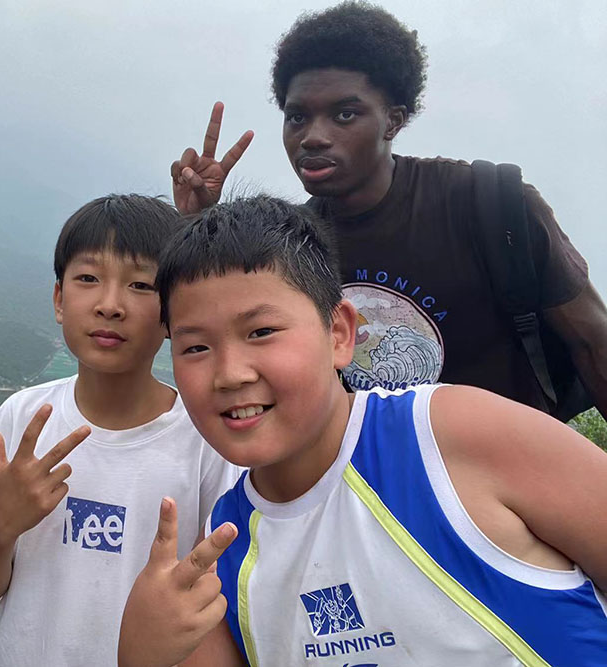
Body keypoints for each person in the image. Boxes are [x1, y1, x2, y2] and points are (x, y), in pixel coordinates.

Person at [117, 195, 607, 666]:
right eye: (195, 348)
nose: (229, 373)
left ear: (340, 334)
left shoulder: (451, 435)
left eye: (261, 332)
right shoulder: (224, 550)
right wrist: (143, 653)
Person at [170, 1, 607, 420]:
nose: (313, 137)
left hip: (502, 482)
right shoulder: (295, 243)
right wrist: (198, 225)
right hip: (366, 490)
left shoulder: (488, 202)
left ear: (393, 121)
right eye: (297, 117)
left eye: (344, 114)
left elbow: (592, 340)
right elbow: (225, 338)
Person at [0, 194, 239, 666]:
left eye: (141, 284)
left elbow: (218, 606)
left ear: (172, 313)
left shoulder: (205, 440)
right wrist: (1, 528)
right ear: (59, 299)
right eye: (87, 279)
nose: (110, 305)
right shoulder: (22, 418)